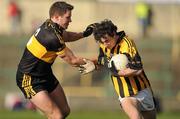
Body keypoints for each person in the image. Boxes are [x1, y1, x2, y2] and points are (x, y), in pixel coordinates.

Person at [16, 1, 95, 119]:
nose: (70, 20)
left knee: (64, 111)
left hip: (45, 74)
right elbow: (72, 60)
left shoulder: (51, 25)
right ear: (56, 17)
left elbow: (66, 36)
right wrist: (96, 62)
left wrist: (83, 34)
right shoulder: (51, 37)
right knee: (56, 115)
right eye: (68, 17)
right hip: (29, 78)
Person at [79, 19, 156, 119]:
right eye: (101, 41)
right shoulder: (103, 45)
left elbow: (138, 69)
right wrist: (94, 65)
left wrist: (118, 73)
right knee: (135, 117)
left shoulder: (127, 44)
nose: (104, 44)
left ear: (114, 33)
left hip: (142, 90)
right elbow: (103, 61)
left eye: (106, 40)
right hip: (124, 93)